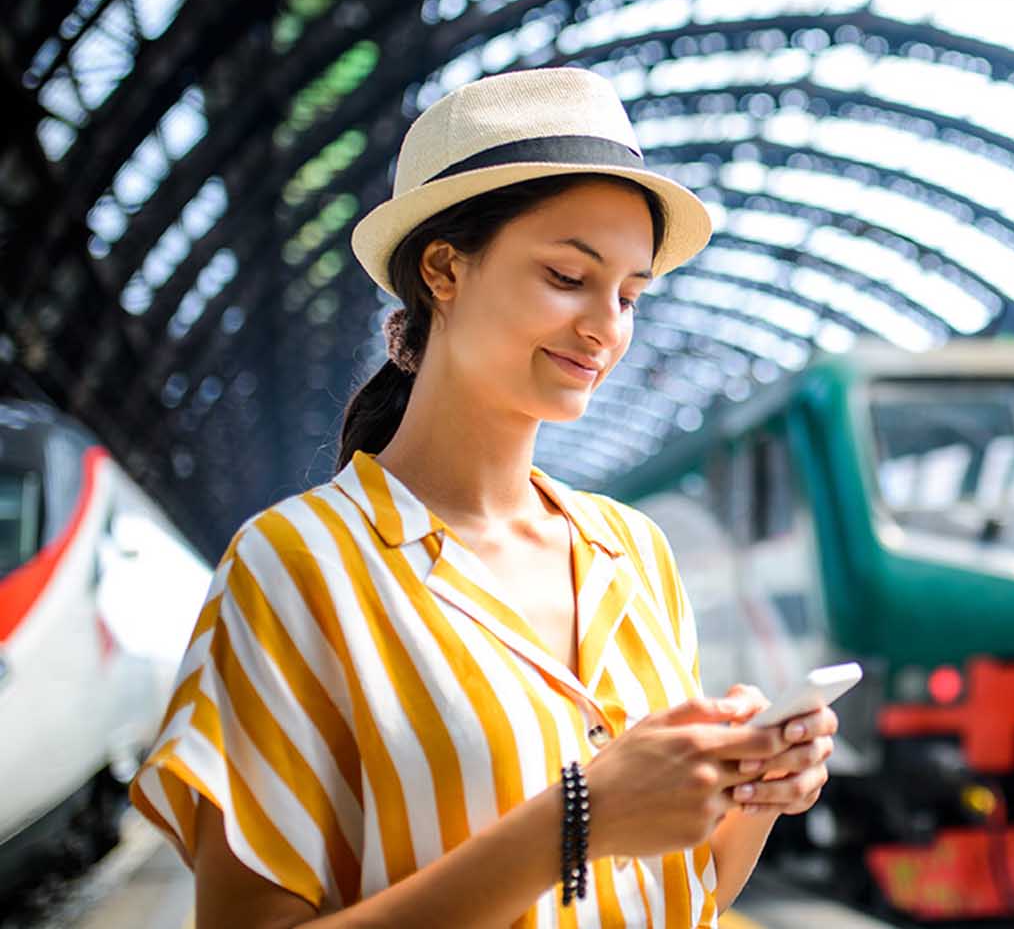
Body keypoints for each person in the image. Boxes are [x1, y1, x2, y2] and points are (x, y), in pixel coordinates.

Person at [130, 67, 836, 927]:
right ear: (442, 269)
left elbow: (683, 893)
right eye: (567, 278)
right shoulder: (298, 567)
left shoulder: (634, 553)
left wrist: (755, 792)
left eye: (629, 295)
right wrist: (577, 824)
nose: (607, 327)